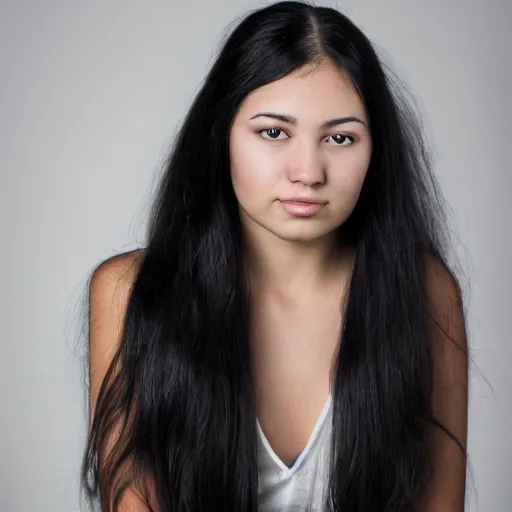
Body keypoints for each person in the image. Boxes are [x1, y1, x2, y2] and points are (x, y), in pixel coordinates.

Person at [81, 1, 469, 511]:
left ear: (376, 151)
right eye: (273, 132)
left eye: (339, 137)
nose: (308, 171)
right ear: (220, 134)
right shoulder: (129, 291)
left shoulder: (421, 290)